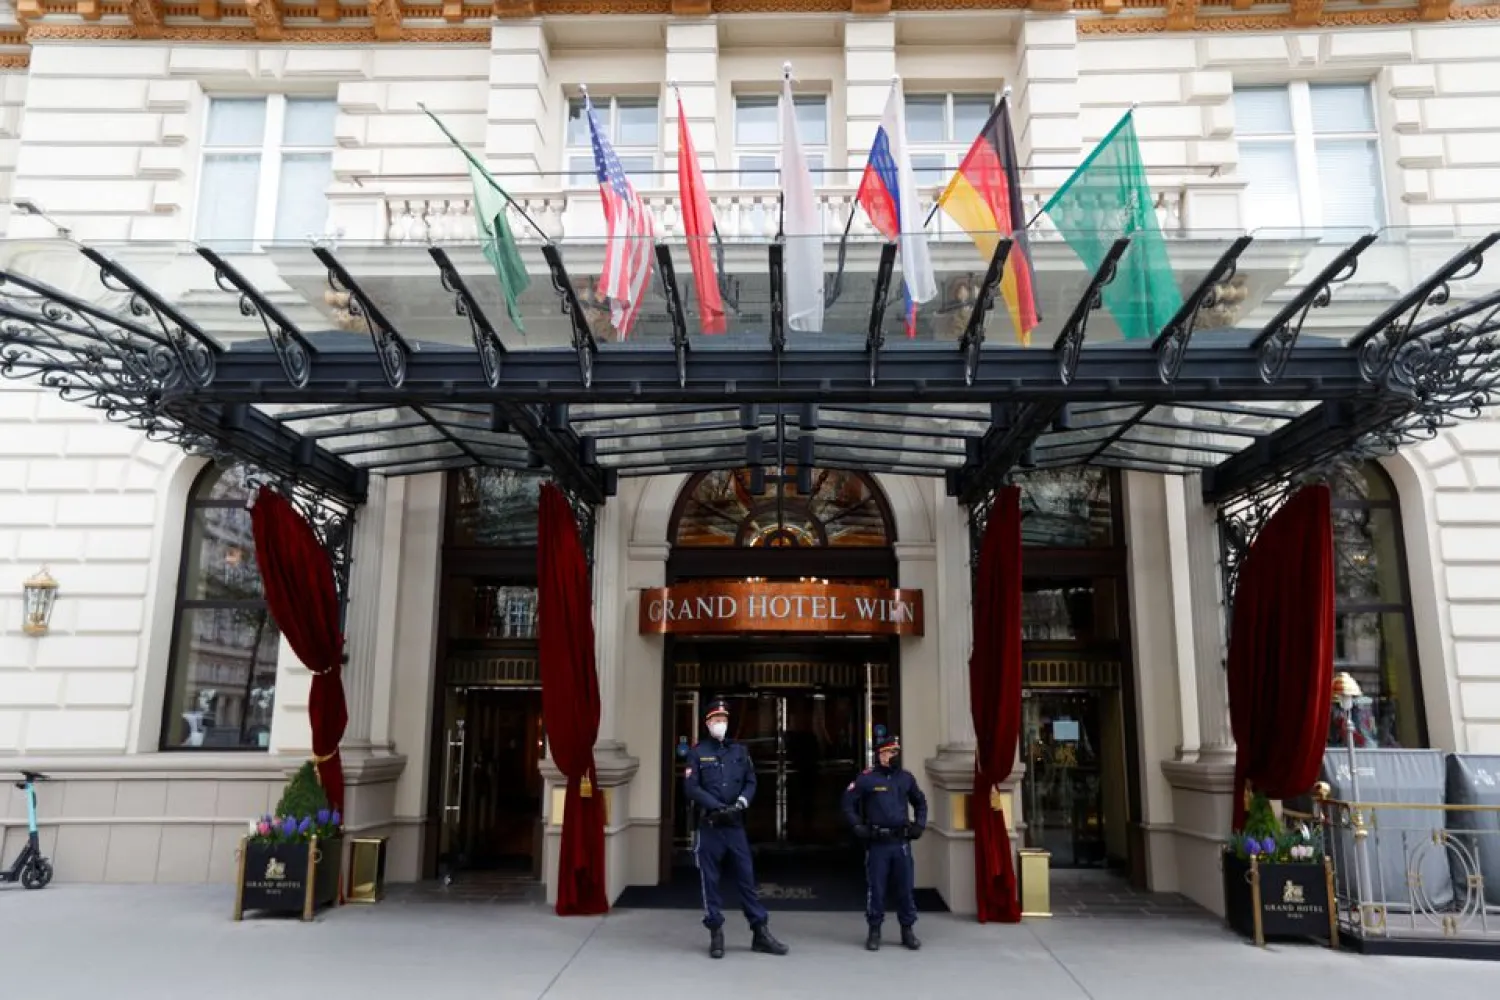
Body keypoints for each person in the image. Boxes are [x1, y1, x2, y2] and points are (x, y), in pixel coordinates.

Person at [683, 697, 790, 960]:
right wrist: (717, 806)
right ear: (707, 722)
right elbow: (691, 787)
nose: (721, 724)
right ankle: (716, 932)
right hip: (710, 826)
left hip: (734, 826)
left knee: (746, 878)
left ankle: (760, 932)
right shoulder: (697, 752)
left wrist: (741, 803)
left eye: (724, 720)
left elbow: (751, 782)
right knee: (710, 881)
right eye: (716, 720)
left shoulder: (739, 751)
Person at [842, 733, 928, 951]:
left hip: (900, 842)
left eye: (894, 752)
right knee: (876, 889)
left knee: (905, 888)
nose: (890, 756)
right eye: (887, 752)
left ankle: (907, 930)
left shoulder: (905, 778)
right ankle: (874, 930)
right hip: (878, 843)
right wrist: (856, 826)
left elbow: (920, 802)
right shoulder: (867, 778)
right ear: (879, 754)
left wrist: (919, 824)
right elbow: (848, 803)